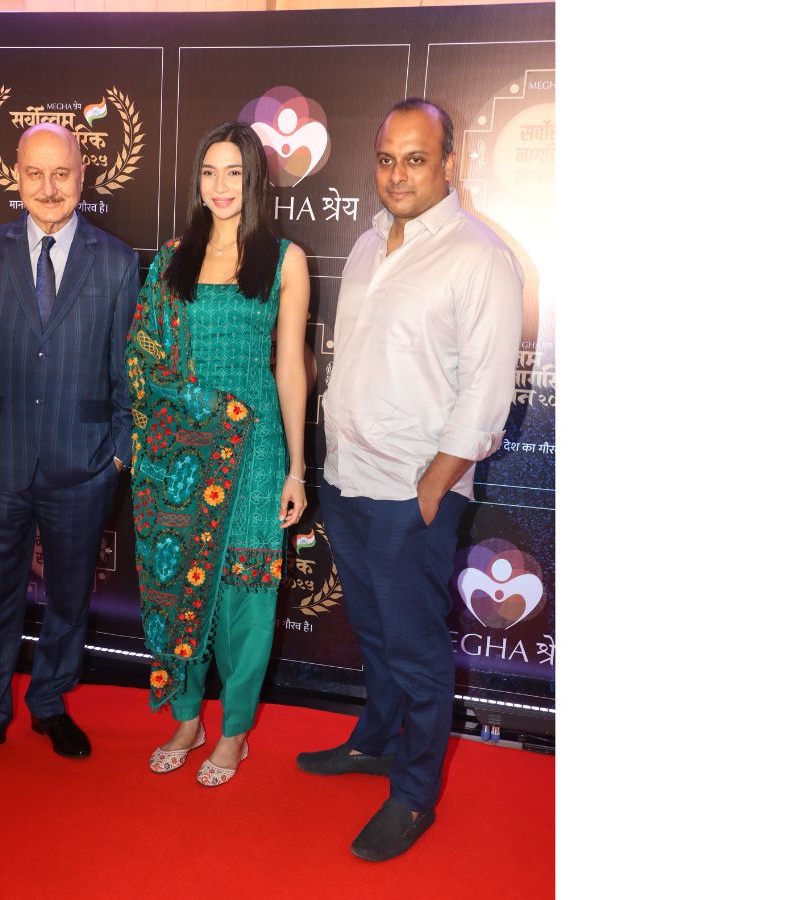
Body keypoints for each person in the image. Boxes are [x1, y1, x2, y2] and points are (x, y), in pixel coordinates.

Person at [296, 99, 523, 860]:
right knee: (373, 633)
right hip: (347, 480)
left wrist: (431, 490)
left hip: (410, 496)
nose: (398, 174)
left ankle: (415, 794)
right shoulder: (368, 243)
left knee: (418, 651)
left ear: (450, 163)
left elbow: (485, 397)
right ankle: (375, 741)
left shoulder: (479, 257)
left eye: (416, 158)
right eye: (387, 158)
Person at [0, 123, 139, 771]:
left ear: (82, 176)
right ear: (16, 176)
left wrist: (119, 454)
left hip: (84, 465)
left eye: (61, 174)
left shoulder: (116, 260)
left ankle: (49, 703)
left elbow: (128, 372)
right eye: (35, 174)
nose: (49, 188)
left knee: (70, 597)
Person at [126, 121, 309, 786]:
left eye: (234, 172)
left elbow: (291, 368)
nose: (221, 186)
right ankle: (186, 719)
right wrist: (190, 414)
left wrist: (296, 467)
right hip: (179, 454)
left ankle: (232, 732)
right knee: (180, 582)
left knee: (246, 597)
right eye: (209, 172)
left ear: (254, 179)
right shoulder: (171, 259)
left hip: (254, 451)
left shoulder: (284, 260)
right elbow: (145, 356)